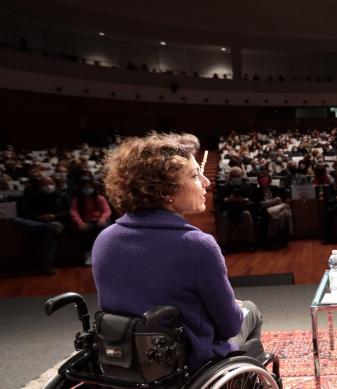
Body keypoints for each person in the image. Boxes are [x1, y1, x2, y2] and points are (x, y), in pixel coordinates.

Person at [92, 133, 265, 373]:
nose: (206, 182)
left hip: (125, 363)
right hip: (186, 365)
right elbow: (230, 327)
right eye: (194, 175)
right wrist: (230, 309)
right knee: (250, 311)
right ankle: (244, 388)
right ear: (166, 190)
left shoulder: (104, 239)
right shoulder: (198, 246)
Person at [13, 176, 72, 274]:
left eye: (51, 184)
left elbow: (70, 211)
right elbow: (26, 213)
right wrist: (38, 217)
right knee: (17, 220)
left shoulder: (63, 196)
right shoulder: (33, 197)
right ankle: (49, 226)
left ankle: (46, 264)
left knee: (51, 230)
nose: (48, 186)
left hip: (58, 222)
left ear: (55, 185)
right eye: (45, 184)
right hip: (37, 223)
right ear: (40, 186)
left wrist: (55, 216)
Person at [70, 180, 112, 266]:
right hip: (87, 221)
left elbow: (107, 210)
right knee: (83, 231)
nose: (88, 189)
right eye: (85, 188)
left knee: (107, 231)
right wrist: (79, 222)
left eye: (89, 187)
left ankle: (106, 253)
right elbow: (73, 211)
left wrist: (103, 219)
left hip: (101, 220)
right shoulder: (78, 200)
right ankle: (88, 254)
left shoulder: (100, 198)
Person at [216, 166, 256, 254]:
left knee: (247, 215)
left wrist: (244, 200)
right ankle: (222, 245)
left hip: (242, 209)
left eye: (238, 176)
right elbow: (218, 200)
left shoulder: (246, 187)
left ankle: (251, 243)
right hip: (229, 210)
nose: (236, 178)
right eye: (234, 176)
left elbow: (253, 198)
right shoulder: (224, 188)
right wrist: (228, 199)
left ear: (241, 177)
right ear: (230, 177)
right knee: (223, 217)